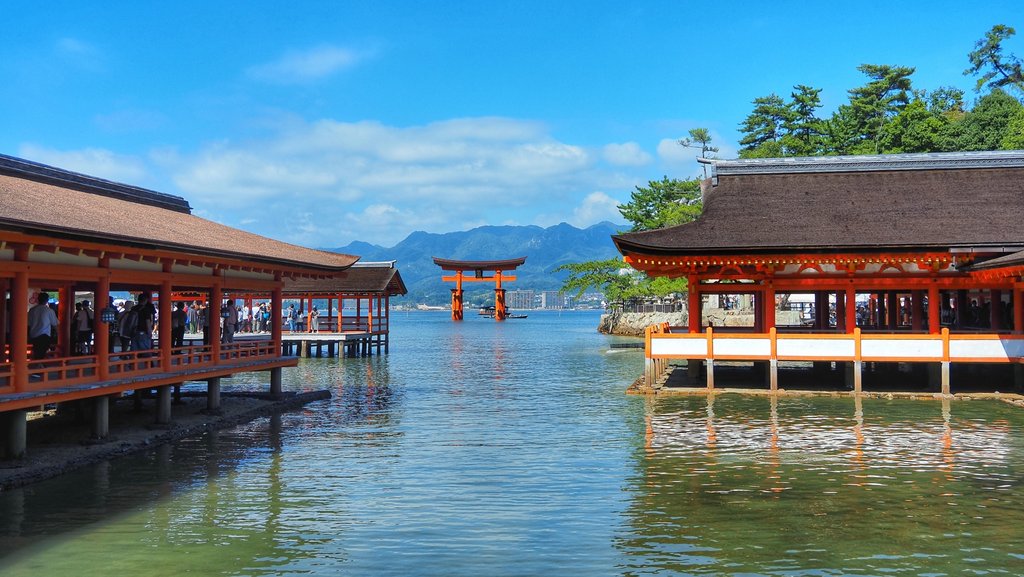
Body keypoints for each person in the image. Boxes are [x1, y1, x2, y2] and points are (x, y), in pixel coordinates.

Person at [28, 291, 59, 360]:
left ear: (38, 299)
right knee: (42, 352)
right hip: (44, 335)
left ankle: (38, 364)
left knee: (37, 351)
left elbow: (29, 323)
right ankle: (40, 365)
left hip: (34, 334)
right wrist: (58, 334)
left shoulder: (32, 310)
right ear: (47, 300)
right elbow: (55, 324)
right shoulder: (49, 311)